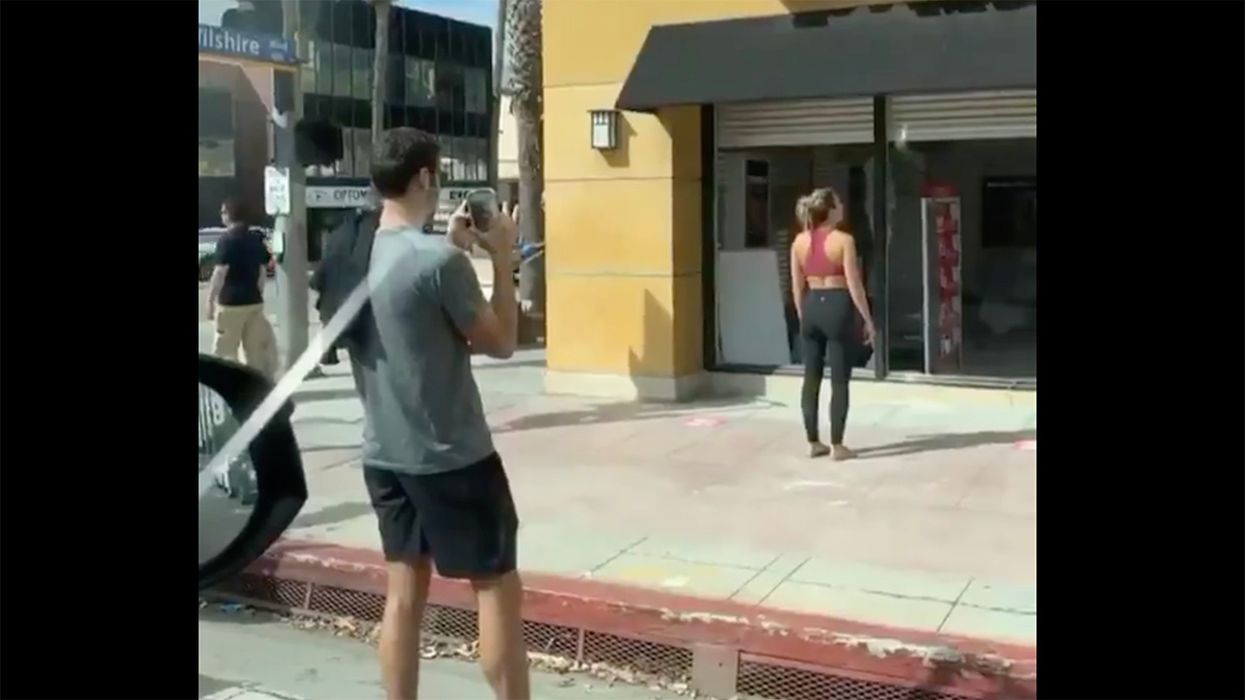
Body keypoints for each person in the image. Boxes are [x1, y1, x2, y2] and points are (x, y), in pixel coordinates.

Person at [352, 127, 528, 700]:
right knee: (496, 585)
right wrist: (501, 256)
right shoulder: (437, 263)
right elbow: (500, 341)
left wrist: (448, 246)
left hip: (384, 453)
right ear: (426, 177)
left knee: (403, 591)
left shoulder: (351, 252)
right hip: (453, 455)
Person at [790, 188, 876, 460]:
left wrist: (804, 315)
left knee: (811, 377)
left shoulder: (799, 242)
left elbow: (796, 287)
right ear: (831, 209)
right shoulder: (844, 241)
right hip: (838, 306)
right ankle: (837, 445)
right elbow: (854, 284)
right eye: (838, 202)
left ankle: (813, 441)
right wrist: (867, 319)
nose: (842, 205)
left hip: (812, 304)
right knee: (839, 379)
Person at [206, 197, 277, 378]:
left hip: (230, 303)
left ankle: (225, 385)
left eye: (223, 212)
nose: (221, 215)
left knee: (226, 349)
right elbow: (262, 271)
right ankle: (256, 385)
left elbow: (220, 272)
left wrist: (210, 300)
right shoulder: (255, 239)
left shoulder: (227, 240)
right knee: (255, 350)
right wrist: (258, 293)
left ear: (229, 215)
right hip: (253, 302)